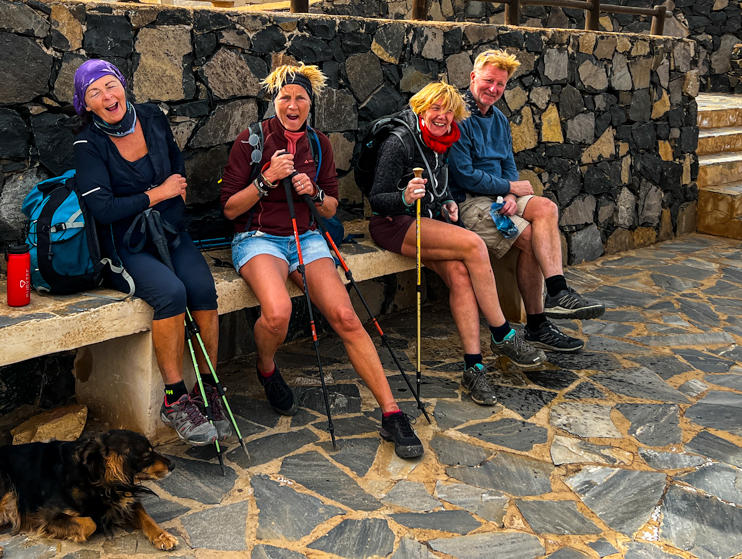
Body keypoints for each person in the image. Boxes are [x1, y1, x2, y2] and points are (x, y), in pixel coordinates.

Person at [220, 63, 424, 459]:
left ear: (310, 103)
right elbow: (229, 209)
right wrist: (265, 179)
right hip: (258, 238)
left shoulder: (319, 144)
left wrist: (312, 192)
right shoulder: (252, 140)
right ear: (274, 101)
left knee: (346, 317)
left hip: (308, 237)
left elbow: (330, 206)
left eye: (300, 98)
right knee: (277, 313)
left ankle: (392, 413)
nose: (292, 105)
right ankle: (267, 368)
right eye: (285, 97)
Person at [71, 59, 226, 447]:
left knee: (202, 290)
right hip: (125, 244)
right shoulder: (88, 145)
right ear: (86, 105)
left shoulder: (152, 117)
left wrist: (178, 190)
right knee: (171, 293)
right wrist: (159, 193)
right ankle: (175, 400)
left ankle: (208, 389)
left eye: (111, 85)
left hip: (170, 231)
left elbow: (175, 161)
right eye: (94, 93)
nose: (107, 96)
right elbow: (103, 209)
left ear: (123, 85)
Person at [368, 81, 549, 406]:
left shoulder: (444, 141)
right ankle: (502, 334)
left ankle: (473, 367)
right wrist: (404, 197)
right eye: (435, 108)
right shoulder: (400, 141)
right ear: (422, 110)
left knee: (461, 276)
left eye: (448, 111)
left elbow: (441, 187)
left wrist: (448, 201)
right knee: (474, 245)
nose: (442, 116)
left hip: (428, 221)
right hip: (394, 223)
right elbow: (377, 200)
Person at [448, 50, 606, 352]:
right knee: (531, 237)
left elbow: (508, 165)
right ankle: (537, 325)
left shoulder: (499, 119)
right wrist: (509, 187)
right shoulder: (458, 116)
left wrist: (510, 194)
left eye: (500, 84)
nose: (494, 89)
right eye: (488, 81)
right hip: (469, 202)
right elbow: (465, 175)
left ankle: (557, 291)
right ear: (473, 77)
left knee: (547, 207)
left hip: (498, 196)